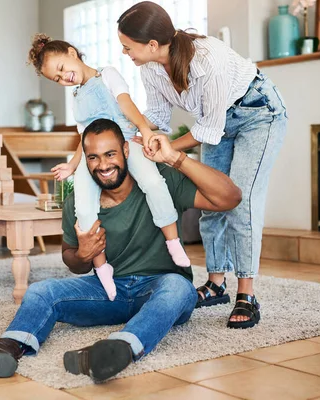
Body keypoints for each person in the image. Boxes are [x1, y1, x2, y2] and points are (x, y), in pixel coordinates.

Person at [0, 118, 241, 382]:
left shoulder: (161, 181)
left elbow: (230, 199)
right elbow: (71, 261)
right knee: (43, 290)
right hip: (110, 290)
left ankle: (119, 348)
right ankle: (6, 349)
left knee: (177, 288)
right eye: (93, 157)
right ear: (84, 159)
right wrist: (85, 254)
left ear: (126, 151)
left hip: (162, 287)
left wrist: (176, 157)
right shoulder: (79, 201)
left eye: (110, 154)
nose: (103, 165)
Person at [117, 1, 288, 329]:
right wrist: (136, 135)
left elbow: (208, 129)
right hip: (218, 121)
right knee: (212, 203)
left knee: (240, 203)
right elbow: (158, 117)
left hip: (258, 113)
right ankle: (216, 284)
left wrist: (167, 148)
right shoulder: (150, 67)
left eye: (127, 46)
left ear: (152, 45)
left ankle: (247, 294)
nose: (125, 52)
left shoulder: (207, 60)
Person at [27, 33, 192, 302]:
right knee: (84, 206)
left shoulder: (108, 75)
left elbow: (126, 104)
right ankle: (102, 267)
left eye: (61, 69)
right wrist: (72, 165)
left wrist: (144, 131)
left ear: (71, 53)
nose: (63, 78)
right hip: (93, 155)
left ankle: (172, 242)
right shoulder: (77, 97)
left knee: (152, 183)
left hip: (125, 140)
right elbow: (84, 138)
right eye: (56, 79)